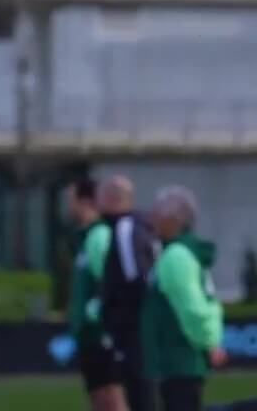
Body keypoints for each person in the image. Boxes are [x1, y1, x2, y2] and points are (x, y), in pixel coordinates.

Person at [141, 185, 227, 411]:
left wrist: (207, 342)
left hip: (178, 359)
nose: (152, 220)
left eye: (158, 213)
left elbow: (192, 308)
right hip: (181, 360)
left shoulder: (175, 256)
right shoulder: (184, 252)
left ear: (174, 220)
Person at [98, 174, 160, 411]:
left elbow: (134, 277)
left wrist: (122, 323)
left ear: (110, 198)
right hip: (139, 327)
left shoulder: (125, 228)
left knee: (140, 391)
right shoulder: (142, 226)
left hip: (133, 330)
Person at [65, 176, 126, 411]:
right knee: (100, 400)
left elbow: (109, 282)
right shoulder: (86, 238)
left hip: (102, 333)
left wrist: (96, 312)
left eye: (71, 200)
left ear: (85, 202)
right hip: (89, 335)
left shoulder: (99, 236)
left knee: (112, 398)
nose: (68, 206)